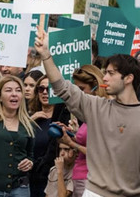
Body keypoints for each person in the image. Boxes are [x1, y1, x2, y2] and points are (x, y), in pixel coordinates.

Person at [35, 30, 140, 196]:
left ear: (129, 78)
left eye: (111, 73)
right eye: (105, 73)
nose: (104, 78)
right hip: (93, 192)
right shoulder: (97, 107)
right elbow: (62, 87)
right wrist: (46, 55)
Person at [56, 65, 108, 197]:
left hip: (91, 178)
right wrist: (71, 134)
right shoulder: (89, 114)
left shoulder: (103, 113)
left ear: (95, 86)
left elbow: (97, 152)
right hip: (80, 176)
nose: (79, 93)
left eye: (82, 89)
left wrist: (72, 144)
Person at [28, 75, 70, 197]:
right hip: (29, 176)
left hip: (50, 176)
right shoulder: (29, 116)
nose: (45, 92)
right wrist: (30, 120)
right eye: (41, 89)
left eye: (49, 89)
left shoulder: (62, 119)